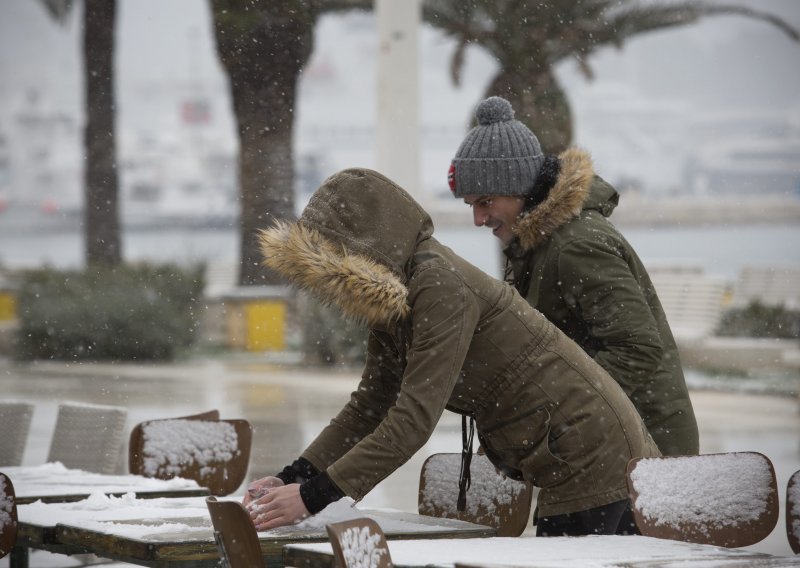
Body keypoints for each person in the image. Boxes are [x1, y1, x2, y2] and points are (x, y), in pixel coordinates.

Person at [246, 167, 660, 536]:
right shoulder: (397, 296)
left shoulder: (439, 286)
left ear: (364, 257)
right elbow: (369, 407)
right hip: (556, 452)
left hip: (591, 447)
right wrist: (294, 477)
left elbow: (412, 419)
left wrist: (315, 496)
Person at [447, 96, 699, 457]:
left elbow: (637, 349)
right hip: (605, 443)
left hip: (640, 452)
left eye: (485, 202)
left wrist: (556, 410)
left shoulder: (576, 244)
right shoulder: (537, 244)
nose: (478, 218)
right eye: (471, 205)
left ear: (518, 188)